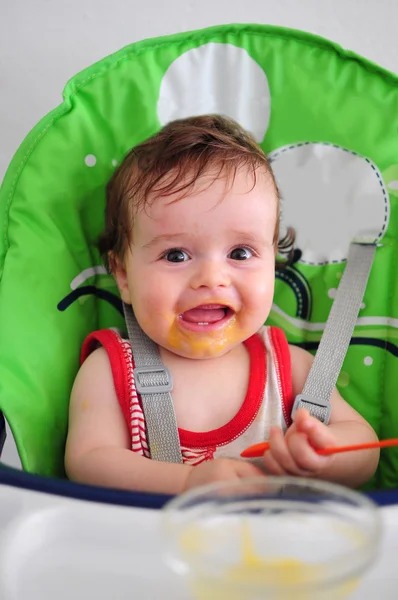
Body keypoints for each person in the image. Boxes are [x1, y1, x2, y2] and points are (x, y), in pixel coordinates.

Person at [65, 115, 379, 494]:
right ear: (124, 276)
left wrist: (325, 457)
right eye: (176, 255)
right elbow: (89, 460)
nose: (212, 279)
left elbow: (364, 446)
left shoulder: (292, 369)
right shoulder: (112, 372)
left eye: (241, 252)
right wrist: (187, 481)